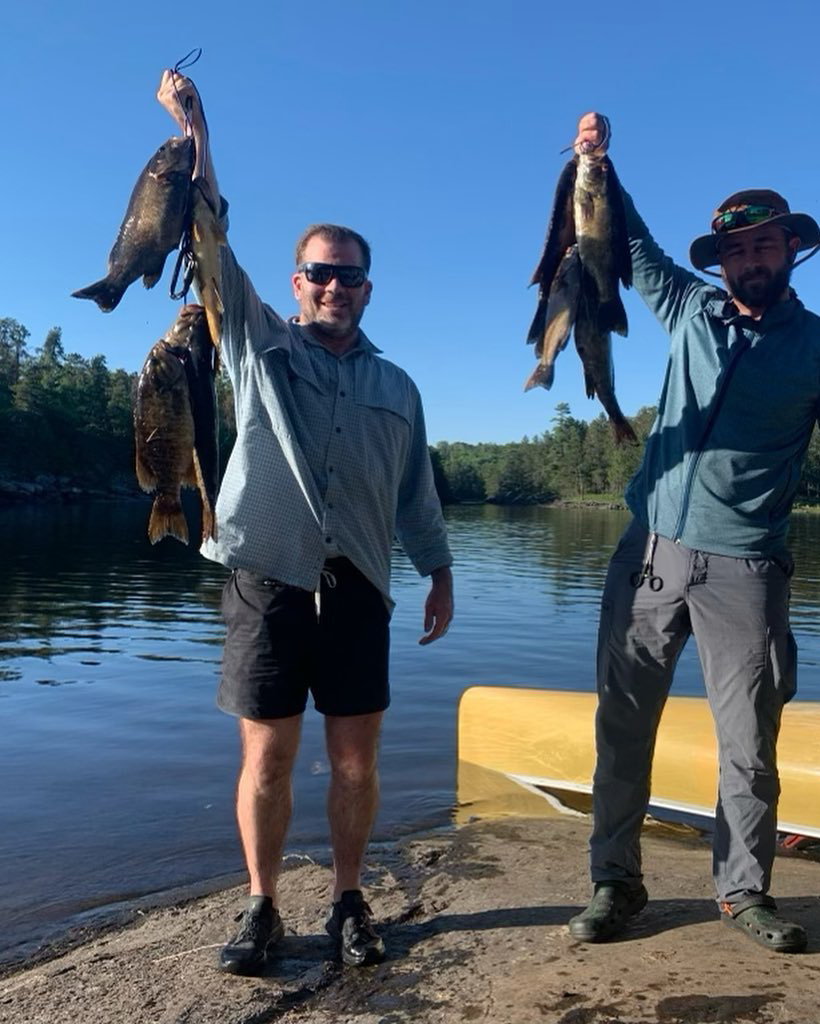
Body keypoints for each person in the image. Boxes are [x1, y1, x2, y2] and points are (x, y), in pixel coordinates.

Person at [565, 113, 820, 954]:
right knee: (623, 723)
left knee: (749, 744)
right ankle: (615, 884)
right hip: (649, 551)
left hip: (748, 567)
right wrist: (600, 166)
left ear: (790, 251)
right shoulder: (689, 309)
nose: (750, 261)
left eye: (764, 246)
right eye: (737, 251)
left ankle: (743, 891)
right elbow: (628, 246)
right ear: (723, 261)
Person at [157, 70, 454, 976]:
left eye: (348, 276)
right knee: (268, 759)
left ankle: (351, 902)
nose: (333, 286)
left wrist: (439, 570)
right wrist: (197, 129)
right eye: (319, 273)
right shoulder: (254, 343)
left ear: (368, 290)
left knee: (356, 765)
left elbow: (416, 493)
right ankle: (261, 905)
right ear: (297, 283)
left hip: (360, 585)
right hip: (267, 579)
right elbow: (209, 234)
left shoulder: (397, 387)